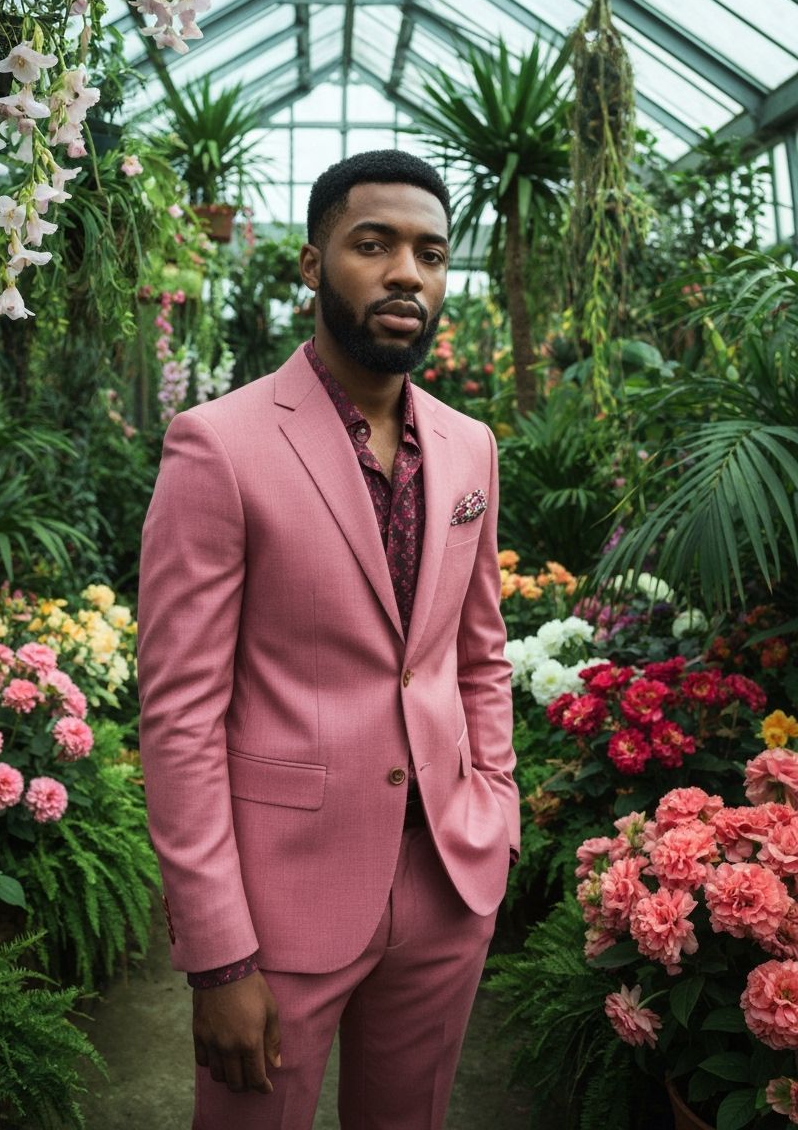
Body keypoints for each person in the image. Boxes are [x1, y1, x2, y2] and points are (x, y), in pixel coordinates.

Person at [137, 149, 519, 1130]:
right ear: (311, 265)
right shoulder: (217, 444)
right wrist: (216, 950)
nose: (405, 272)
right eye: (372, 243)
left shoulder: (469, 444)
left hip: (445, 877)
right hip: (278, 903)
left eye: (428, 252)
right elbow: (179, 715)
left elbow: (475, 652)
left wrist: (494, 805)